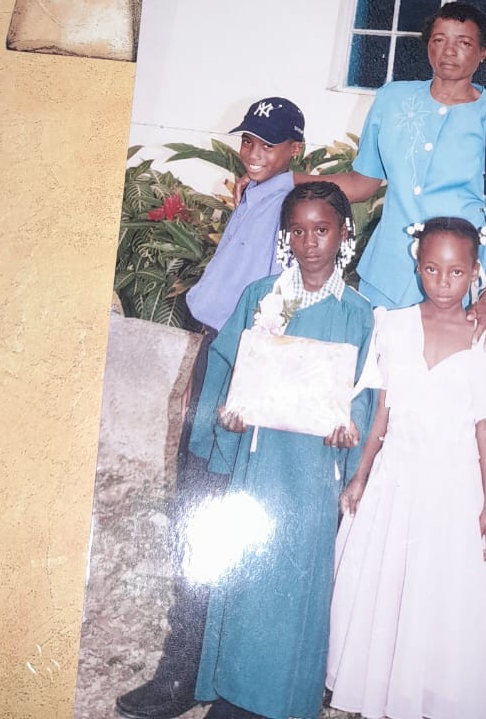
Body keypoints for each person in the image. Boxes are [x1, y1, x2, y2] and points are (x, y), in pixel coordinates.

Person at [116, 97, 306, 719]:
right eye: (249, 140)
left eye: (268, 144)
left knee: (207, 506)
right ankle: (191, 665)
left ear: (294, 152)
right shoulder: (253, 197)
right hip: (215, 351)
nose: (254, 152)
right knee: (194, 504)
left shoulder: (287, 206)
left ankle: (192, 672)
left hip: (241, 362)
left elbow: (276, 301)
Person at [326, 217, 486, 719]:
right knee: (386, 584)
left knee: (438, 593)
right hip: (397, 479)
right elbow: (383, 413)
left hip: (452, 490)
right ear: (417, 266)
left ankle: (426, 696)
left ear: (475, 273)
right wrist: (361, 474)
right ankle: (381, 691)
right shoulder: (392, 327)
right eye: (432, 269)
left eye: (457, 272)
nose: (443, 282)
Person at [190, 181, 374, 719]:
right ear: (285, 235)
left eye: (322, 229)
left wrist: (350, 431)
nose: (309, 242)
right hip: (259, 460)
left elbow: (366, 394)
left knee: (296, 586)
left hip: (313, 473)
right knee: (246, 577)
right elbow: (227, 373)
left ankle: (283, 702)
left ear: (343, 234)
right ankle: (231, 696)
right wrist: (227, 414)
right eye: (297, 230)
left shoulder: (358, 314)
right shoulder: (262, 298)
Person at [298, 1, 486, 337]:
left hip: (454, 286)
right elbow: (363, 183)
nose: (448, 51)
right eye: (439, 40)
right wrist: (285, 181)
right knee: (373, 375)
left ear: (482, 53)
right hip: (385, 277)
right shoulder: (392, 100)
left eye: (463, 43)